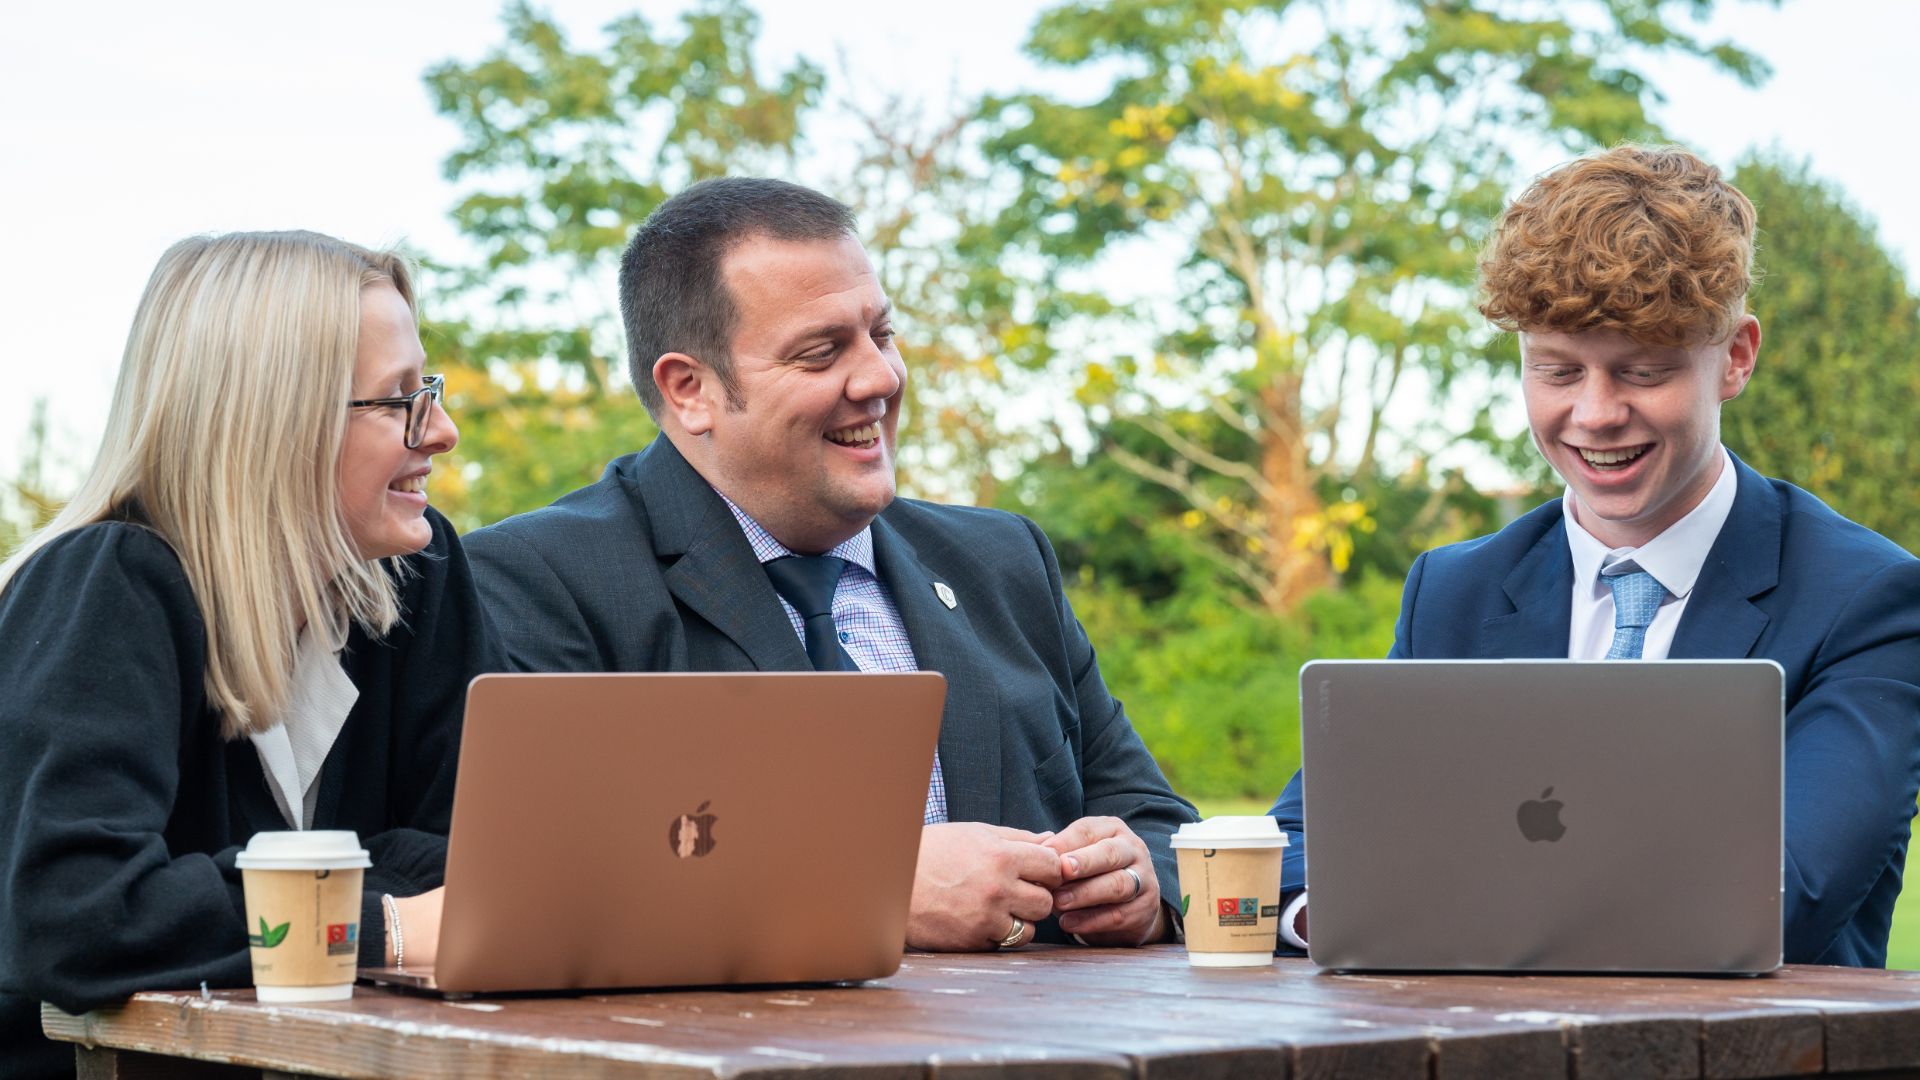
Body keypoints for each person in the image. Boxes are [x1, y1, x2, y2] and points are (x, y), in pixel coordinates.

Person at [465, 178, 1197, 952]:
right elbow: (545, 873)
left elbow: (1159, 825)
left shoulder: (1004, 560)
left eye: (881, 334)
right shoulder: (539, 580)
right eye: (822, 353)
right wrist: (868, 887)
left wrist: (1137, 886)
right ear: (690, 390)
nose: (880, 378)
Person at [1268, 145, 1920, 966]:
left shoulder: (1868, 600)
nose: (1595, 413)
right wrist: (1318, 914)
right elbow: (1297, 841)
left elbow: (1782, 895)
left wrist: (1416, 907)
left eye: (1643, 372)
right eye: (1557, 370)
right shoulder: (1457, 589)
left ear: (1737, 357)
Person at [0, 231, 505, 1077]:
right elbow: (73, 915)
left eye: (432, 392)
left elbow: (483, 863)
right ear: (276, 418)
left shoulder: (418, 575)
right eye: (398, 400)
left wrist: (230, 888)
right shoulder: (106, 585)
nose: (443, 431)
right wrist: (379, 925)